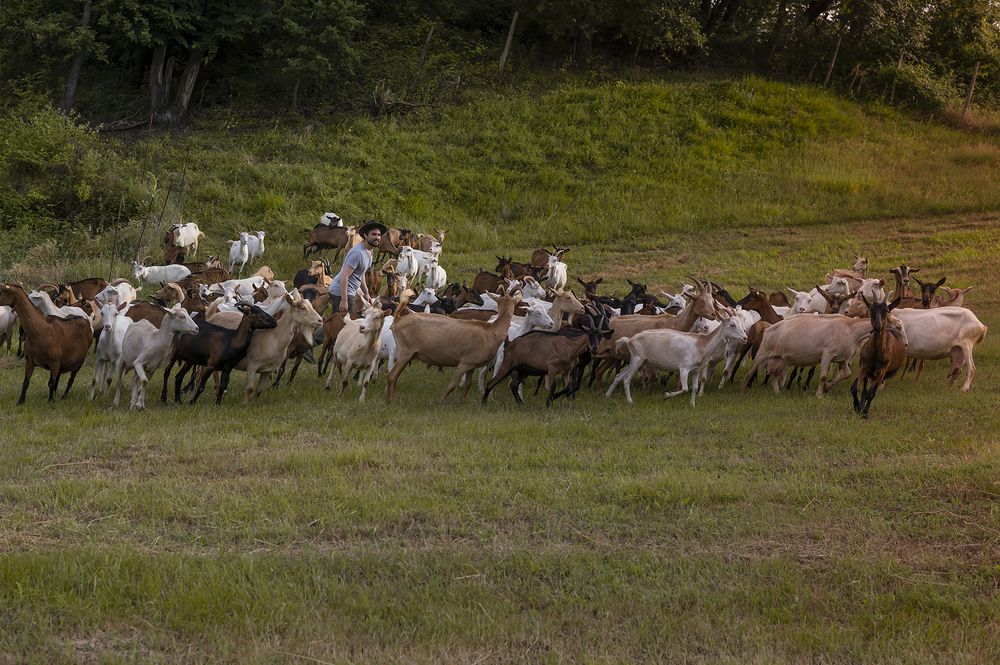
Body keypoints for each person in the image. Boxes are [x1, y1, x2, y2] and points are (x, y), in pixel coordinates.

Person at [328, 219, 387, 315]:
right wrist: (344, 300)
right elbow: (344, 276)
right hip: (341, 291)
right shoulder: (358, 253)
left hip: (350, 290)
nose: (377, 237)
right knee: (345, 324)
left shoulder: (369, 251)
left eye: (379, 235)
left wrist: (366, 293)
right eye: (373, 234)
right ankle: (322, 330)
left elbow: (361, 273)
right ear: (365, 236)